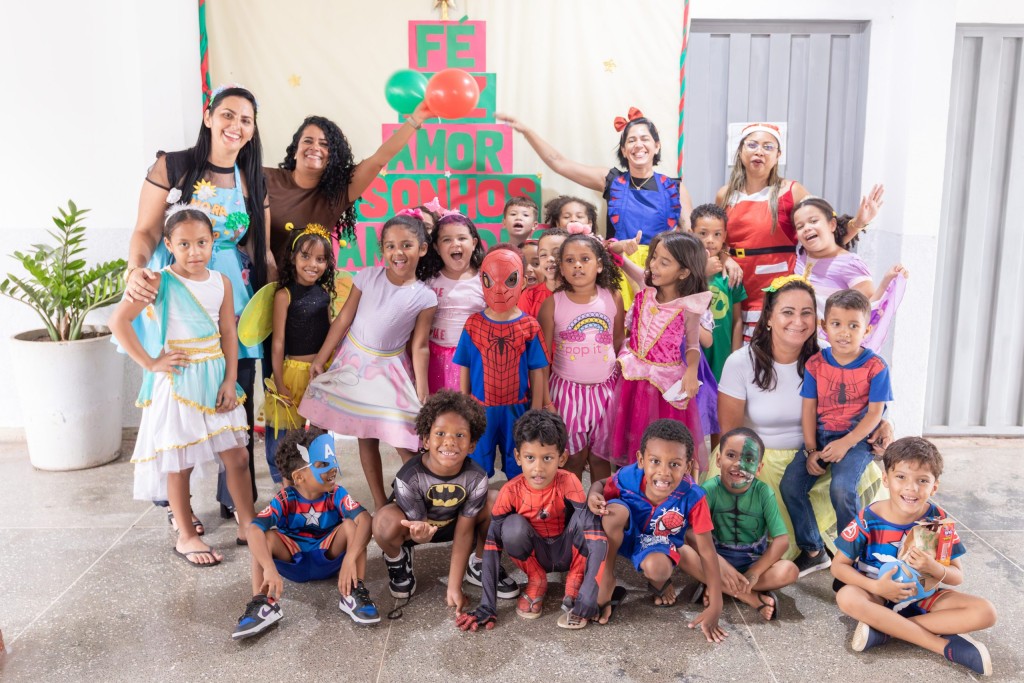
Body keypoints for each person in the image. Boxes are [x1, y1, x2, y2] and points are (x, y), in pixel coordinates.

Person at [125, 84, 269, 521]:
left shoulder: (252, 178)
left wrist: (280, 296)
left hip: (232, 295)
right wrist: (135, 270)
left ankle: (236, 501)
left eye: (245, 120)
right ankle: (177, 505)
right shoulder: (174, 165)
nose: (235, 126)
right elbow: (147, 230)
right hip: (178, 297)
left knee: (233, 394)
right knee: (177, 398)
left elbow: (259, 250)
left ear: (252, 129)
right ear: (208, 117)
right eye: (227, 115)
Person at [110, 206, 255, 565]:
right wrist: (151, 363)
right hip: (178, 381)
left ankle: (249, 525)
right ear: (169, 245)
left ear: (213, 241)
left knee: (238, 456)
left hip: (216, 378)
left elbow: (228, 333)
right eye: (184, 244)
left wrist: (230, 379)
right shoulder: (158, 281)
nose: (194, 252)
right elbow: (118, 322)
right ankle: (187, 536)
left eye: (202, 242)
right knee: (180, 461)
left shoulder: (221, 282)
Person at [711, 275, 892, 561]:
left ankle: (850, 550)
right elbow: (730, 432)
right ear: (768, 317)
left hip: (823, 452)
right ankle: (814, 547)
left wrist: (884, 421)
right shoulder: (741, 362)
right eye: (788, 312)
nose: (798, 321)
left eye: (806, 312)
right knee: (751, 549)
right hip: (761, 461)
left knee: (848, 479)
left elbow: (861, 396)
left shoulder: (828, 356)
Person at [298, 213, 437, 510]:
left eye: (407, 245)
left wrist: (421, 387)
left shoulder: (425, 297)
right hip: (353, 363)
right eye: (390, 246)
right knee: (365, 436)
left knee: (405, 440)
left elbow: (420, 345)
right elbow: (343, 320)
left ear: (422, 248)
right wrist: (322, 357)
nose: (398, 252)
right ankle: (378, 502)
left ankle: (423, 500)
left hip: (390, 370)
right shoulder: (367, 277)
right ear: (382, 249)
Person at [498, 108, 705, 308]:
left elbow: (692, 238)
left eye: (644, 139)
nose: (638, 145)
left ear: (656, 146)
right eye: (631, 140)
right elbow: (558, 163)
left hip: (661, 272)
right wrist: (526, 131)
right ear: (624, 150)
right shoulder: (612, 181)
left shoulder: (675, 188)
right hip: (618, 269)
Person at [832, 437, 997, 676]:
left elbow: (956, 577)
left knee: (986, 612)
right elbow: (838, 567)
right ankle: (942, 646)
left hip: (923, 598)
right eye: (901, 477)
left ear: (934, 487)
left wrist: (933, 567)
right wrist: (876, 587)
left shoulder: (938, 520)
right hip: (877, 598)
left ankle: (886, 631)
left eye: (922, 480)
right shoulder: (869, 517)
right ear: (885, 479)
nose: (911, 488)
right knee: (847, 596)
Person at [715, 121, 884, 340]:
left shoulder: (791, 190)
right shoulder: (725, 195)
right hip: (735, 285)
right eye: (752, 145)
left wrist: (859, 222)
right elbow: (716, 240)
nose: (759, 152)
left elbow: (825, 233)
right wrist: (725, 258)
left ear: (778, 155)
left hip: (777, 284)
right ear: (740, 151)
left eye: (768, 147)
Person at [456, 411, 609, 631]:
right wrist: (487, 605)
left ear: (562, 458)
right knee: (511, 526)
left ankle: (575, 581)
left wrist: (590, 591)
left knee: (588, 517)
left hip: (568, 551)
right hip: (536, 556)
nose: (538, 468)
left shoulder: (569, 481)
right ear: (518, 457)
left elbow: (595, 536)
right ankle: (537, 580)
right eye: (530, 458)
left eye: (547, 458)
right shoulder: (510, 491)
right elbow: (491, 546)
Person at [371, 390, 519, 613]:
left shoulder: (476, 477)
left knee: (495, 499)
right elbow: (420, 529)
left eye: (460, 435)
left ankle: (480, 564)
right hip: (415, 528)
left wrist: (454, 587)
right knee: (383, 520)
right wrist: (419, 535)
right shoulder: (409, 477)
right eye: (440, 433)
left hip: (455, 523)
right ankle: (398, 559)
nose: (449, 442)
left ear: (472, 445)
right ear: (426, 440)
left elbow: (464, 532)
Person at [781, 289, 893, 576]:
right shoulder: (816, 364)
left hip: (857, 439)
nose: (844, 332)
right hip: (820, 436)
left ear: (866, 330)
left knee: (842, 488)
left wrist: (846, 443)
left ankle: (851, 556)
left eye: (854, 325)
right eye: (837, 324)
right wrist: (811, 450)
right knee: (791, 485)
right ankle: (813, 550)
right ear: (824, 327)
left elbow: (875, 414)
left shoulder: (876, 367)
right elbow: (809, 409)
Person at [587, 420, 727, 643]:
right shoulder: (628, 477)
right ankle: (606, 577)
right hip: (623, 535)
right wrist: (592, 494)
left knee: (659, 569)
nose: (664, 472)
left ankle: (660, 583)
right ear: (641, 459)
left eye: (674, 464)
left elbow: (707, 552)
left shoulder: (693, 496)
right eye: (655, 461)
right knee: (613, 512)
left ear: (688, 466)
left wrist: (716, 605)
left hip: (657, 542)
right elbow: (602, 484)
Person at [233, 429, 378, 639]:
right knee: (264, 537)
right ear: (299, 477)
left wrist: (350, 559)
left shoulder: (336, 493)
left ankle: (353, 592)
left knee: (350, 525)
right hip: (293, 560)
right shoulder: (284, 499)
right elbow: (253, 529)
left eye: (331, 461)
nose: (332, 468)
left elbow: (365, 520)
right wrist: (269, 568)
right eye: (322, 464)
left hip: (328, 557)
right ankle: (262, 602)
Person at [593, 232, 715, 476]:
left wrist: (692, 371)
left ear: (684, 272)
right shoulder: (645, 283)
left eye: (664, 262)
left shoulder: (689, 307)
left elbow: (693, 347)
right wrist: (621, 245)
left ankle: (663, 487)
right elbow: (611, 254)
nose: (654, 265)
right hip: (633, 378)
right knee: (629, 438)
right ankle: (630, 484)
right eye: (654, 257)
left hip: (664, 385)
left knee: (663, 445)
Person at [265, 104, 434, 260]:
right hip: (257, 279)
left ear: (332, 157)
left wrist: (415, 120)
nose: (315, 147)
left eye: (324, 144)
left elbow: (379, 159)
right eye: (308, 141)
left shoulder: (338, 192)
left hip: (308, 282)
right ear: (295, 151)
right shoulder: (264, 178)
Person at [538, 231, 625, 483]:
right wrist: (546, 400)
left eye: (585, 259)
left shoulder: (613, 297)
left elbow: (618, 340)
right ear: (561, 269)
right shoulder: (553, 304)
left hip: (606, 392)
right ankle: (572, 505)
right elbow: (542, 358)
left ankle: (600, 505)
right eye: (569, 260)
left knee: (600, 458)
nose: (577, 265)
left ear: (599, 265)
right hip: (567, 394)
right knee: (573, 458)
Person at [454, 246, 548, 478]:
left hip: (518, 409)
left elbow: (537, 370)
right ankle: (479, 497)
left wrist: (535, 410)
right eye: (491, 280)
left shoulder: (529, 326)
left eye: (509, 280)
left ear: (522, 282)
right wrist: (465, 404)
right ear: (483, 281)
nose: (499, 288)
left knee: (518, 461)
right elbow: (465, 365)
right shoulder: (473, 324)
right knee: (477, 464)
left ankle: (516, 497)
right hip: (480, 408)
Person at [691, 428, 798, 622]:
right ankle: (749, 597)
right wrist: (719, 563)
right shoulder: (708, 491)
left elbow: (782, 540)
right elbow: (691, 533)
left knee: (790, 570)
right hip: (715, 563)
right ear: (718, 460)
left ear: (759, 468)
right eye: (731, 455)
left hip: (752, 564)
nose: (739, 464)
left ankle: (717, 586)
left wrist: (755, 573)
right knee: (682, 552)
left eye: (749, 459)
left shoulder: (763, 493)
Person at [263, 224, 337, 484]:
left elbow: (329, 333)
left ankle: (322, 483)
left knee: (320, 433)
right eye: (306, 256)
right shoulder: (284, 295)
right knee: (291, 437)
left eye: (320, 259)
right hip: (293, 374)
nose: (313, 265)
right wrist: (279, 381)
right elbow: (278, 342)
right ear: (293, 258)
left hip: (320, 374)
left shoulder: (324, 294)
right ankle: (289, 488)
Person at [793, 196, 908, 351]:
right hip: (800, 347)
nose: (807, 228)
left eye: (813, 221)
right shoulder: (800, 256)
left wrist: (885, 283)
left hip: (831, 352)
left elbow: (866, 309)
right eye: (800, 226)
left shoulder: (849, 264)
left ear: (832, 224)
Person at [419, 212, 487, 394]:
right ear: (436, 247)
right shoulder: (429, 281)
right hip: (436, 361)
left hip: (473, 359)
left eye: (462, 238)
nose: (455, 244)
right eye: (447, 240)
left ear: (474, 243)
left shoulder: (484, 280)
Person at [691, 204, 747, 381]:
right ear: (691, 233)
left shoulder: (731, 275)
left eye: (717, 234)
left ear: (724, 237)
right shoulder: (683, 271)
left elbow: (737, 320)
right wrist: (701, 272)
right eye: (703, 233)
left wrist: (735, 356)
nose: (710, 240)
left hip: (722, 356)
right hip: (692, 355)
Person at [519, 228, 568, 318]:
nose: (549, 259)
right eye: (543, 255)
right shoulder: (529, 295)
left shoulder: (581, 292)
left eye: (557, 253)